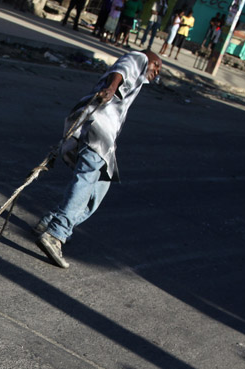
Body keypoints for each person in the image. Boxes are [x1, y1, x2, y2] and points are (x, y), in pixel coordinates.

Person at [32, 50, 162, 268]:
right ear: (151, 59)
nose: (156, 73)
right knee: (87, 177)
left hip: (103, 137)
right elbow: (121, 69)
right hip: (98, 127)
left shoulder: (138, 80)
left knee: (97, 191)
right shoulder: (139, 58)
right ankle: (57, 232)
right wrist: (111, 88)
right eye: (157, 66)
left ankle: (51, 221)